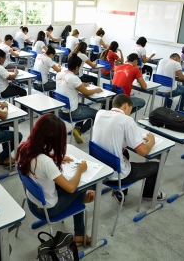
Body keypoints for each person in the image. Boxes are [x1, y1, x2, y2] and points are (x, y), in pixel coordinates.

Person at [16, 113, 94, 245]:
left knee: (74, 188)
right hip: (50, 209)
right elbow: (70, 188)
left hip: (32, 201)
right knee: (81, 187)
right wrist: (80, 169)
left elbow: (39, 163)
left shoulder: (23, 148)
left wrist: (54, 158)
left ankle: (82, 202)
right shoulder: (45, 162)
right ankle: (80, 233)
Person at [92, 94, 167, 202]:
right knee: (156, 166)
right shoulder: (127, 121)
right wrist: (151, 141)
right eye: (130, 110)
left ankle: (121, 191)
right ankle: (149, 194)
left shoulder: (100, 113)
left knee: (125, 152)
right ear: (126, 106)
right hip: (117, 175)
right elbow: (142, 151)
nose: (129, 114)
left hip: (102, 168)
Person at [56, 53, 102, 144]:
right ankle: (80, 131)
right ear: (77, 67)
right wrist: (97, 89)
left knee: (85, 106)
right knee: (97, 114)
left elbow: (70, 85)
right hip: (71, 112)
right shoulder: (73, 78)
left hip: (60, 110)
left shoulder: (59, 74)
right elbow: (87, 93)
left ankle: (78, 127)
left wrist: (82, 84)